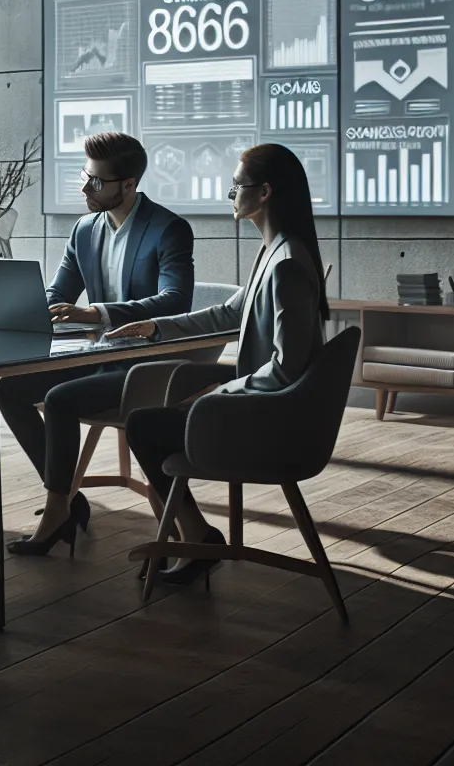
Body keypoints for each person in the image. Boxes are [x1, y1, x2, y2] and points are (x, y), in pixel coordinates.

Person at [102, 143, 329, 582]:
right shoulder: (274, 251)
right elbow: (227, 314)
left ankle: (197, 539)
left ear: (264, 192)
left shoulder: (285, 264)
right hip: (263, 407)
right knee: (153, 419)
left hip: (272, 422)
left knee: (144, 426)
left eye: (235, 186)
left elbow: (287, 369)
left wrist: (220, 392)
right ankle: (196, 537)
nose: (230, 196)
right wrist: (155, 326)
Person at [0, 132, 193, 550]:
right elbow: (58, 294)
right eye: (85, 177)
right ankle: (67, 498)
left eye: (97, 182)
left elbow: (175, 300)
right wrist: (22, 310)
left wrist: (97, 313)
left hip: (146, 364)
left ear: (129, 184)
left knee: (60, 400)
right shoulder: (85, 230)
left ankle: (57, 511)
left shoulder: (168, 229)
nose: (86, 189)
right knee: (9, 390)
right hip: (98, 356)